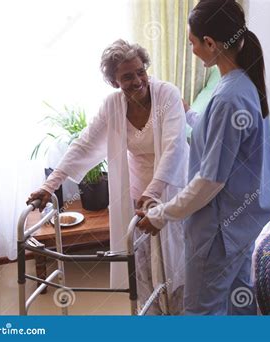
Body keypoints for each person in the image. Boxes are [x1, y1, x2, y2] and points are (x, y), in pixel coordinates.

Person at [136, 0, 270, 315]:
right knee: (238, 302)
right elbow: (222, 138)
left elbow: (208, 182)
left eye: (192, 43)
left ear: (211, 43)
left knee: (201, 312)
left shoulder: (228, 97)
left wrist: (162, 214)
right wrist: (190, 115)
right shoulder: (243, 82)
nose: (191, 49)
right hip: (244, 223)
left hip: (219, 232)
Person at [27, 39, 188, 315]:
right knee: (141, 260)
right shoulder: (113, 105)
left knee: (175, 262)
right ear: (115, 82)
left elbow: (173, 147)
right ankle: (150, 319)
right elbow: (84, 144)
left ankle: (180, 319)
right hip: (137, 193)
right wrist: (49, 185)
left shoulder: (167, 95)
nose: (137, 80)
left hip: (171, 188)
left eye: (140, 71)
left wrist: (154, 193)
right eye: (127, 76)